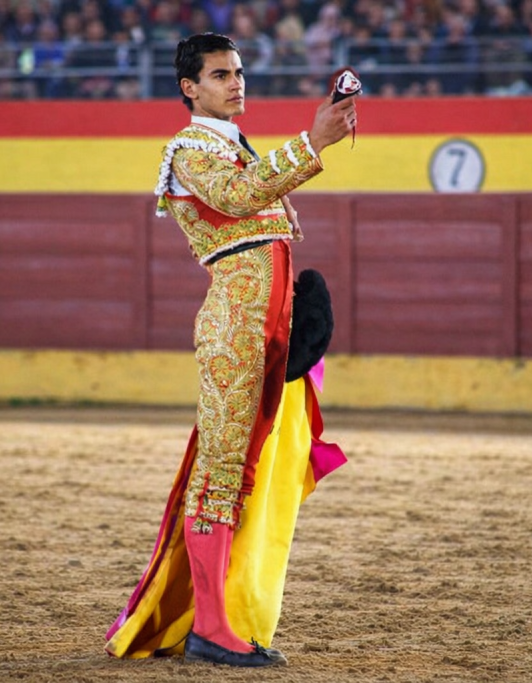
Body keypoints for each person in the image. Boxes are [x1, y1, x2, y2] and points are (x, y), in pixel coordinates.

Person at [104, 32, 354, 668]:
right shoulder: (188, 149)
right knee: (219, 474)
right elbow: (236, 198)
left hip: (262, 326)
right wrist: (313, 141)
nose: (236, 83)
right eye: (220, 75)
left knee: (240, 469)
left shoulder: (236, 150)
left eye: (239, 73)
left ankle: (221, 620)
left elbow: (251, 198)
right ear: (190, 88)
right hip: (234, 331)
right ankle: (212, 628)